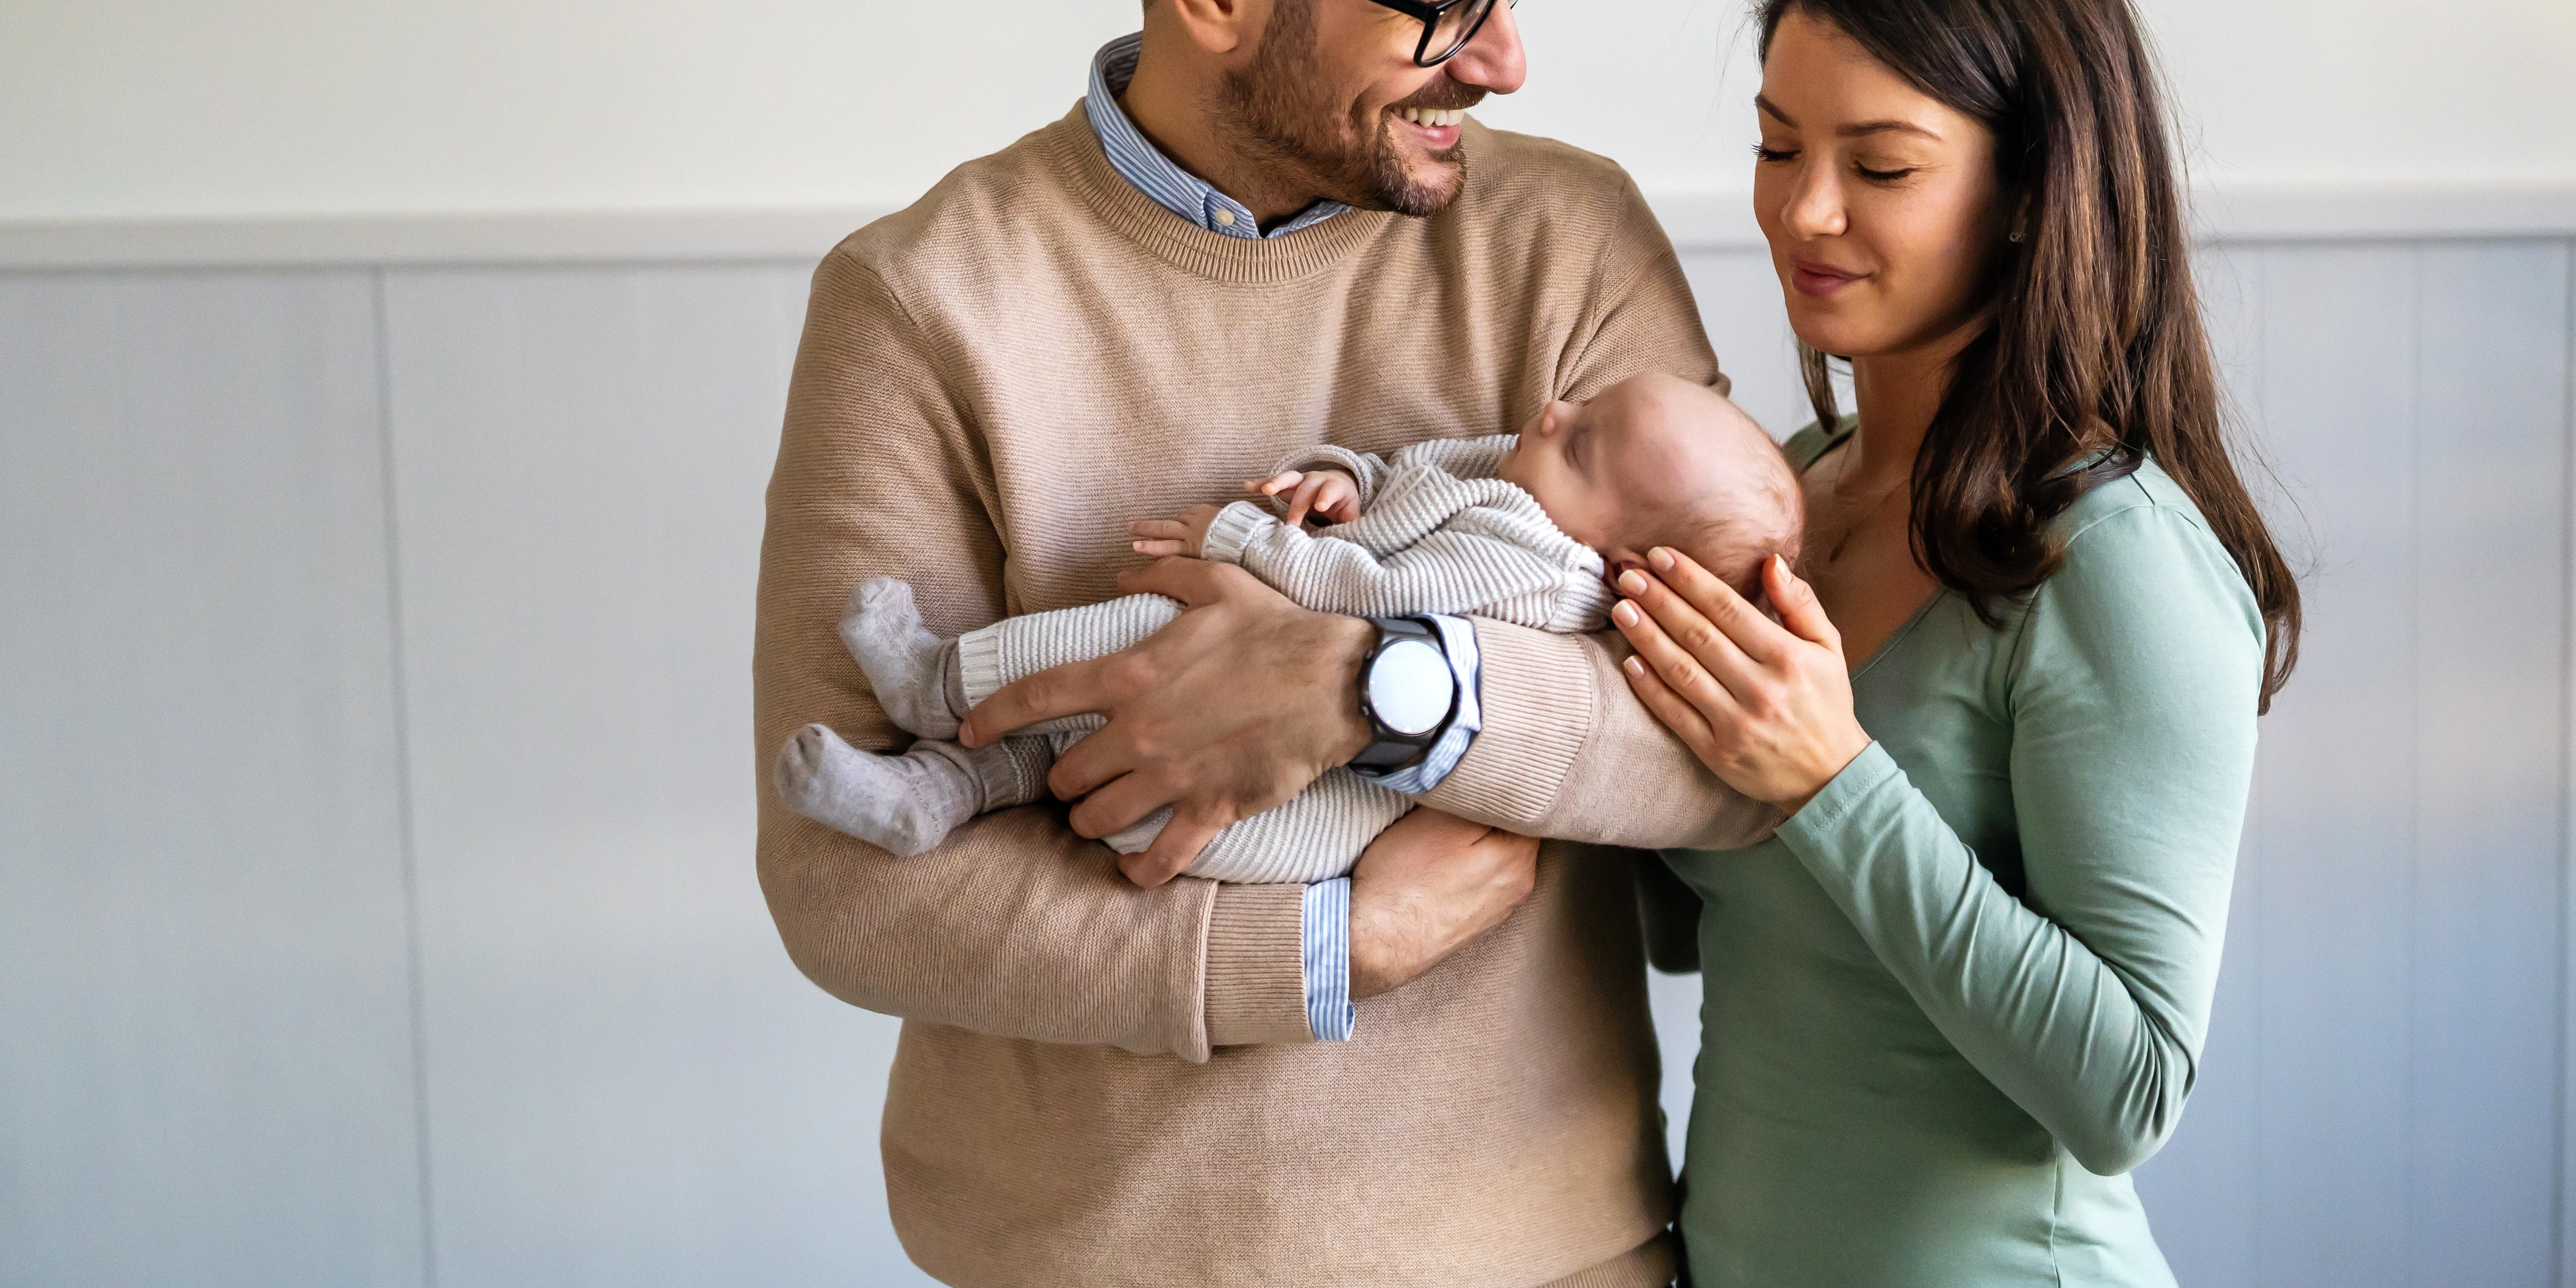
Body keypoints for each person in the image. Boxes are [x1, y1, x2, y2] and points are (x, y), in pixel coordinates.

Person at [750, 0, 1766, 1288]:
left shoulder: (1565, 245)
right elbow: (844, 876)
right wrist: (1319, 952)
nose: (1506, 58)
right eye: (1446, 6)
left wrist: (1370, 686)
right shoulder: (918, 305)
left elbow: (1723, 745)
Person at [1608, 0, 2301, 1288]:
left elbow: (2128, 1081)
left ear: (2024, 193)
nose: (1806, 211)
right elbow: (1698, 927)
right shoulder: (1799, 486)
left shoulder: (2115, 558)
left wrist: (1830, 777)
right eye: (1778, 146)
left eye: (1883, 162)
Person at [773, 372, 1803, 871]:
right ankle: (937, 790)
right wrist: (1342, 481)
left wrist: (1250, 542)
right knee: (1080, 727)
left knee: (1145, 629)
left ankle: (933, 684)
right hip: (1185, 794)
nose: (1548, 416)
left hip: (1263, 817)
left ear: (1624, 565)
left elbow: (1367, 609)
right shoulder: (1539, 482)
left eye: (1579, 445)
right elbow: (1420, 477)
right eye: (1579, 404)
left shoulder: (1537, 568)